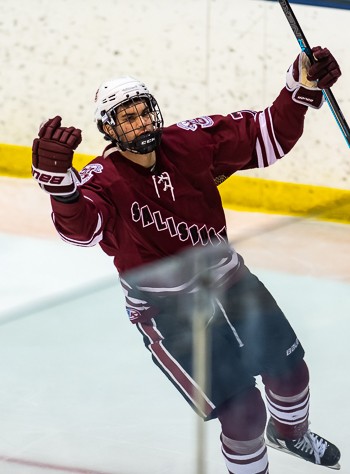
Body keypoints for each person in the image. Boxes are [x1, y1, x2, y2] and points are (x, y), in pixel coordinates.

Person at [32, 46, 342, 473]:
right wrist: (61, 189)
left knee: (291, 374)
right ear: (109, 129)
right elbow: (83, 230)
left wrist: (301, 87)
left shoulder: (190, 142)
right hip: (168, 311)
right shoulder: (103, 180)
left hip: (232, 284)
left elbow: (266, 136)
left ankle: (290, 435)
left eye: (144, 111)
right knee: (243, 412)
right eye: (127, 117)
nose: (140, 122)